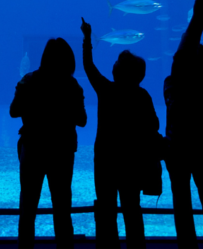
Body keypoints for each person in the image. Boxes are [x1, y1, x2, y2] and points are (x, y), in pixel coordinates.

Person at [81, 17, 160, 249]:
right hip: (132, 163)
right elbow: (153, 125)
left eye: (116, 62)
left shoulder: (107, 90)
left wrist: (87, 38)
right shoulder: (142, 96)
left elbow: (89, 67)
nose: (113, 64)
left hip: (106, 161)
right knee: (132, 210)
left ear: (118, 71)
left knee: (106, 211)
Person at [10, 38, 87, 248]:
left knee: (27, 209)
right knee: (62, 210)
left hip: (33, 150)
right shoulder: (71, 85)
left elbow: (13, 111)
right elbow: (82, 120)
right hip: (61, 152)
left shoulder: (29, 80)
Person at [165, 2, 203, 246]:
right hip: (202, 147)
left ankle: (187, 245)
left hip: (176, 147)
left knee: (181, 201)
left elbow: (180, 62)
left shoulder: (171, 82)